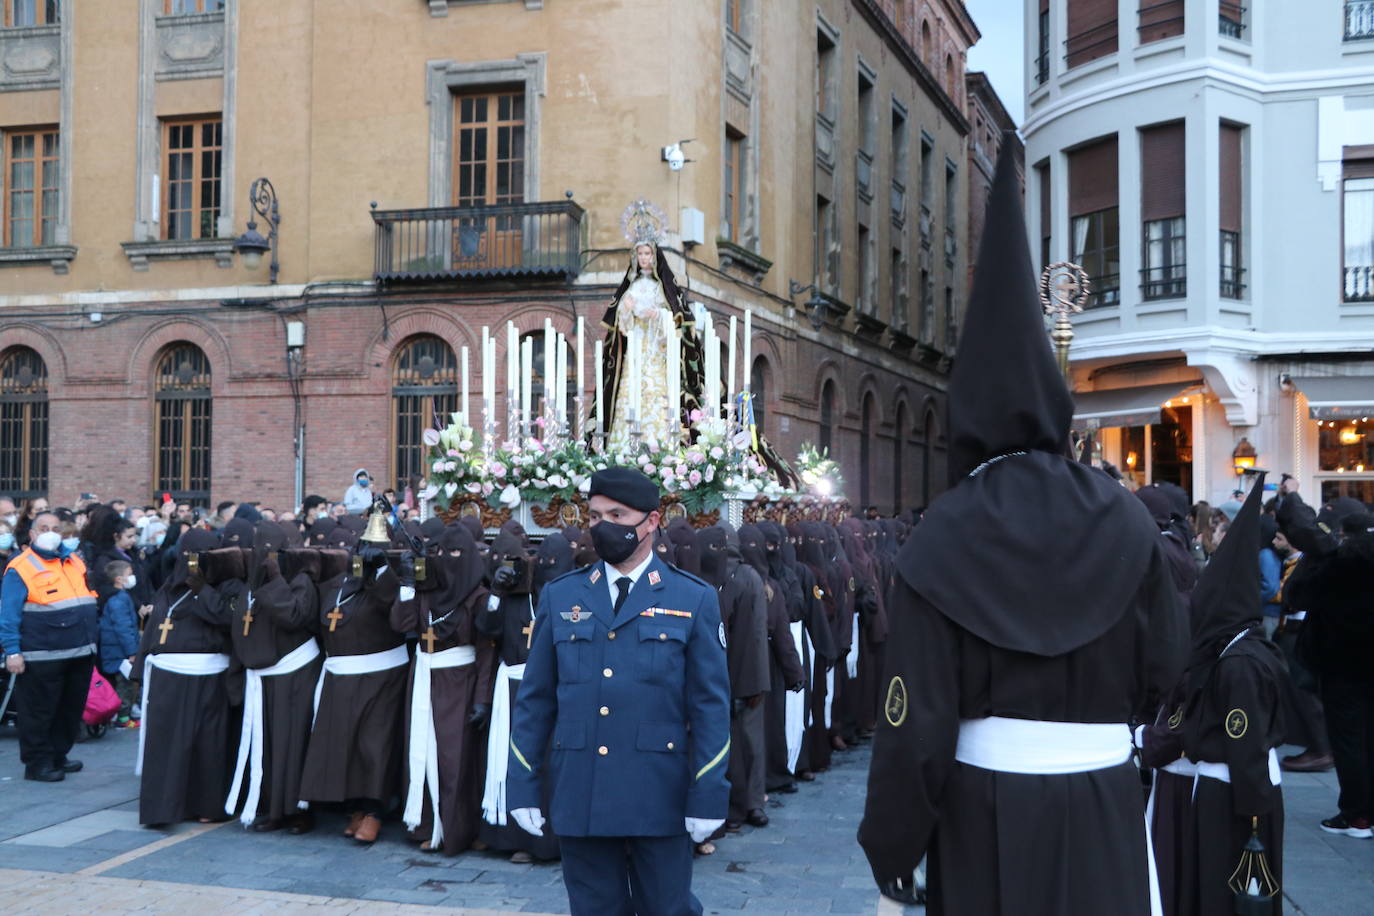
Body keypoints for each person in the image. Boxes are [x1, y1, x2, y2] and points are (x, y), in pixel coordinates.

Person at [858, 144, 1186, 913]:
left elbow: (916, 720)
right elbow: (1168, 667)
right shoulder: (1125, 517)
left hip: (984, 811)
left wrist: (893, 847)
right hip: (1103, 800)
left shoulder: (945, 531)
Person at [507, 466, 731, 916]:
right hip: (582, 789)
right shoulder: (562, 596)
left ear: (651, 521)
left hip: (658, 795)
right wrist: (522, 784)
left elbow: (710, 705)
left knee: (668, 909)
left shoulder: (693, 599)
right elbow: (535, 699)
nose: (603, 527)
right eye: (594, 516)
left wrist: (709, 792)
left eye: (617, 514)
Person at [1180, 476, 1286, 915]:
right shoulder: (1237, 649)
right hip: (1234, 790)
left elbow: (1244, 745)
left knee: (1229, 896)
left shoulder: (1238, 664)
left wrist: (1254, 818)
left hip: (1236, 798)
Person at [299, 510, 411, 845]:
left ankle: (375, 810)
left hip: (381, 676)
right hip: (341, 677)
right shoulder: (335, 586)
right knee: (343, 745)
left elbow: (397, 612)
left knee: (373, 747)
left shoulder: (386, 582)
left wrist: (381, 571)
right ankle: (354, 809)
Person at [1276, 479, 1374, 837]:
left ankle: (1357, 815)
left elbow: (1295, 595)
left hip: (1342, 663)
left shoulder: (1336, 561)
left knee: (1349, 739)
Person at [395, 522, 495, 855]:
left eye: (456, 553)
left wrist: (482, 699)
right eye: (441, 552)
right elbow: (402, 624)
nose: (448, 559)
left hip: (460, 683)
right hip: (423, 676)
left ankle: (457, 830)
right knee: (421, 753)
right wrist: (408, 584)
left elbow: (486, 652)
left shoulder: (479, 597)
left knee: (455, 759)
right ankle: (425, 823)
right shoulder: (426, 591)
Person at [221, 522, 323, 834]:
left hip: (295, 675)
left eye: (275, 553)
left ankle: (297, 811)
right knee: (267, 746)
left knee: (292, 745)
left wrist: (277, 581)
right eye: (261, 552)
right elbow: (241, 629)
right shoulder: (249, 587)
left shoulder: (302, 581)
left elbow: (293, 616)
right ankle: (272, 808)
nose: (267, 559)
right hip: (262, 678)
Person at [136, 528, 234, 825]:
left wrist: (203, 588)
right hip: (168, 675)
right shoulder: (168, 586)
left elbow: (225, 619)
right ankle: (163, 810)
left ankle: (206, 806)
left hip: (209, 673)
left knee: (208, 743)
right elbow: (154, 627)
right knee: (167, 744)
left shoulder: (225, 586)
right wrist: (141, 666)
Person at [479, 531, 562, 862]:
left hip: (554, 692)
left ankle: (551, 841)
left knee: (550, 765)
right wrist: (497, 591)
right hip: (513, 687)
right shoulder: (516, 597)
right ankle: (512, 836)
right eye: (544, 561)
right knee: (512, 760)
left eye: (556, 562)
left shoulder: (567, 599)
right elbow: (487, 627)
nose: (548, 567)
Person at [1, 512, 100, 782]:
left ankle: (58, 755)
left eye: (56, 528)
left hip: (79, 650)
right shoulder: (20, 566)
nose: (50, 532)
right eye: (44, 528)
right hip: (41, 653)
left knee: (68, 709)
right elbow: (8, 614)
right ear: (32, 534)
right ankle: (37, 763)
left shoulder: (74, 561)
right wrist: (12, 651)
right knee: (38, 712)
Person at [598, 239, 705, 454]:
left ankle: (659, 447)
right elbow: (622, 328)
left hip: (656, 352)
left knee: (657, 396)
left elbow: (675, 324)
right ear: (635, 258)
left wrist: (659, 315)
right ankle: (624, 448)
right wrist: (626, 311)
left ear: (655, 257)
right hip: (636, 349)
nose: (644, 258)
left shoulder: (661, 289)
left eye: (648, 253)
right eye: (640, 254)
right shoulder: (632, 288)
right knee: (630, 393)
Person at [698, 524, 770, 833]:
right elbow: (756, 635)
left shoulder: (733, 577)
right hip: (742, 673)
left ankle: (737, 804)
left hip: (722, 673)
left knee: (730, 742)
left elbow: (754, 632)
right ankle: (750, 803)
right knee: (748, 742)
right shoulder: (747, 577)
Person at [99, 560, 143, 728]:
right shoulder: (118, 600)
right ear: (119, 579)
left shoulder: (120, 597)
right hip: (119, 653)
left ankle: (125, 715)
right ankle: (123, 718)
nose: (132, 577)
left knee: (127, 683)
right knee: (126, 685)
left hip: (117, 650)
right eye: (129, 574)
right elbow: (123, 628)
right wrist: (132, 651)